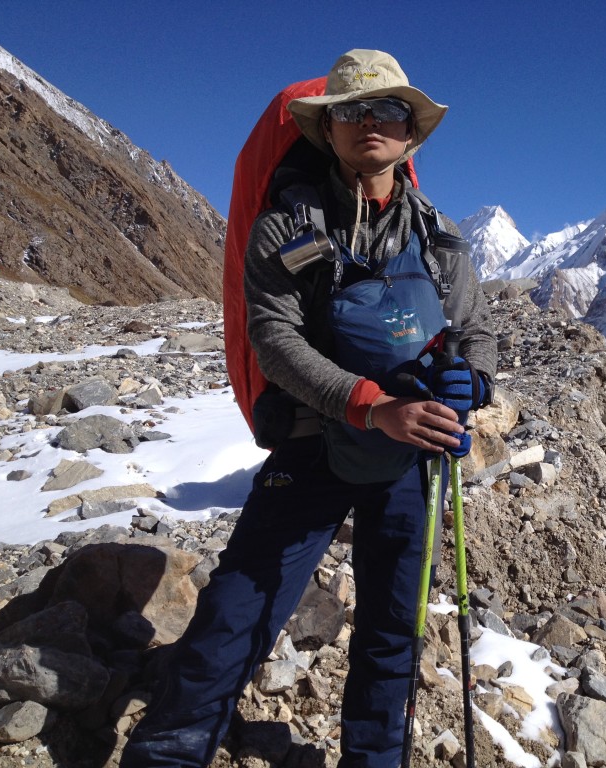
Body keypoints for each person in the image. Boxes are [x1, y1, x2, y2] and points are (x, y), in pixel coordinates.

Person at [121, 49, 497, 768]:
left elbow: (476, 330)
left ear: (411, 132)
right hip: (312, 442)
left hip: (409, 455)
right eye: (352, 112)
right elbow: (274, 339)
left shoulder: (438, 236)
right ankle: (169, 751)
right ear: (328, 130)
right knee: (241, 606)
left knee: (393, 625)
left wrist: (470, 382)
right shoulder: (286, 228)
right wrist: (367, 402)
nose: (369, 124)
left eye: (386, 110)